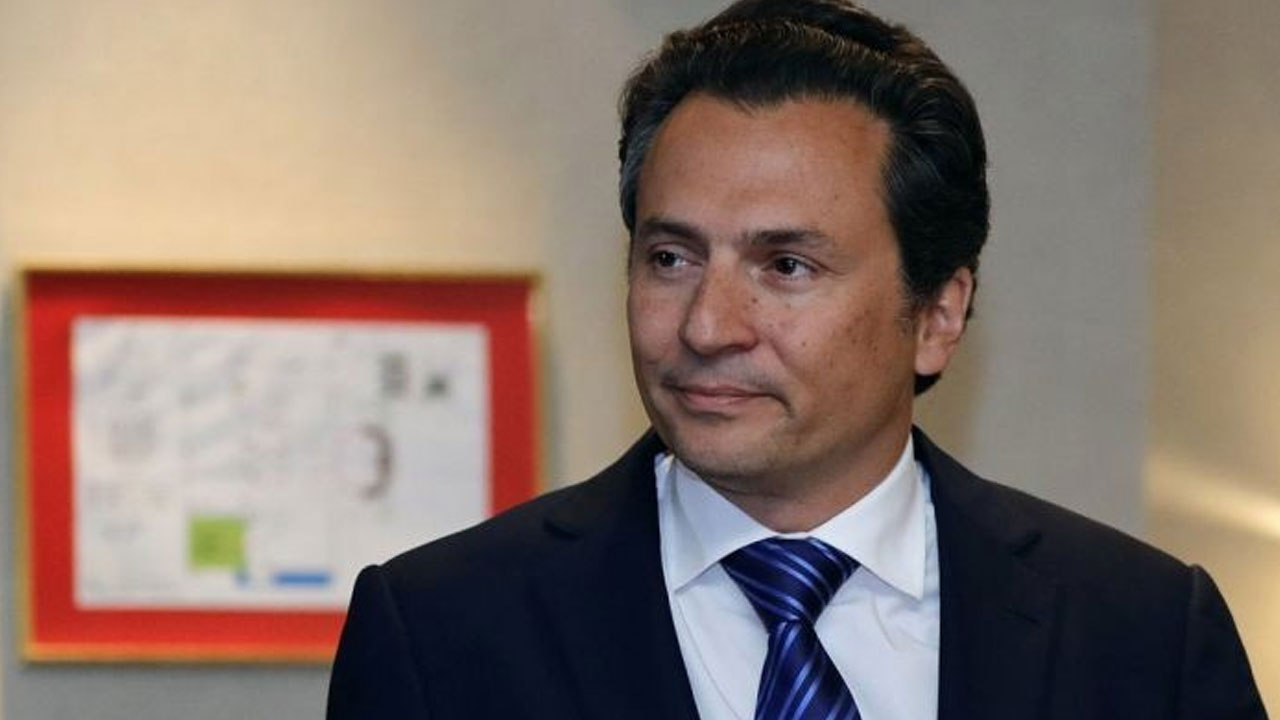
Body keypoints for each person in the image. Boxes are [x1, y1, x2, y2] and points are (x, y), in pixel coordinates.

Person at [327, 1, 1267, 718]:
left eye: (785, 266)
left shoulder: (1141, 633)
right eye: (671, 258)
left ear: (938, 314)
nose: (707, 327)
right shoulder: (443, 632)